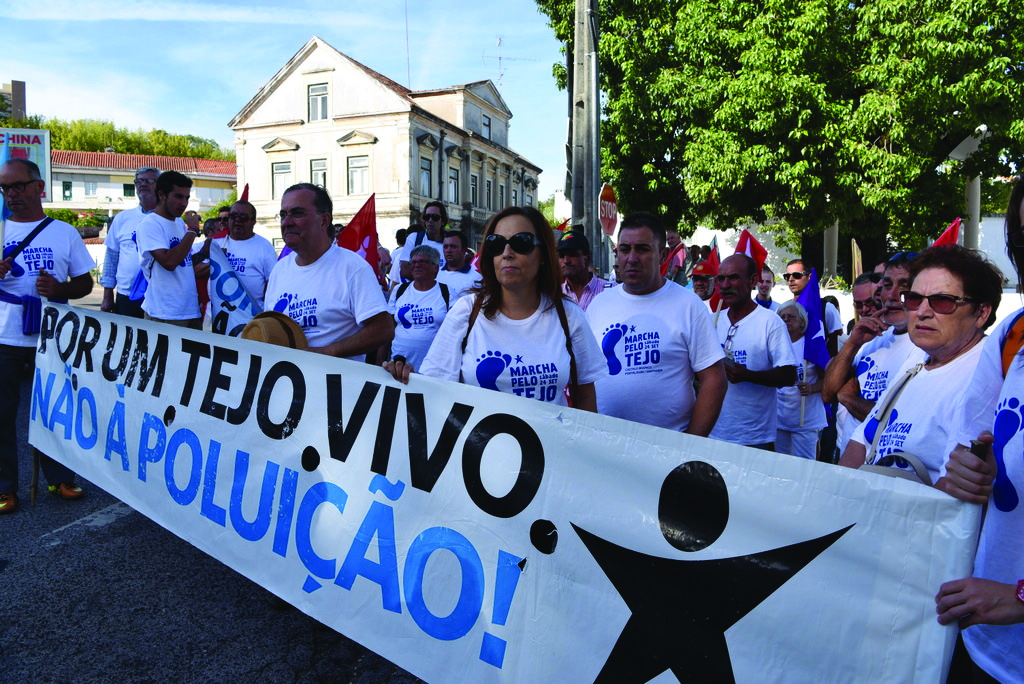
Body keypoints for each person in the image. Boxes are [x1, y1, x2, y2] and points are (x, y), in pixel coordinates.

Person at [933, 180, 1024, 684]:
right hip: (988, 647)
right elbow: (966, 461)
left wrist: (1020, 597)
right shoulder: (1014, 336)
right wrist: (971, 471)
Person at [384, 206, 604, 411]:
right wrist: (404, 377)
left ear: (544, 255)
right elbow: (433, 390)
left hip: (551, 440)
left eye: (521, 242)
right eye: (496, 244)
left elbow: (585, 396)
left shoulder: (569, 315)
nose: (507, 252)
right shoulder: (466, 311)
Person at [838, 245, 1001, 485]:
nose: (922, 312)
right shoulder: (919, 359)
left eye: (942, 301)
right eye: (914, 299)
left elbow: (954, 487)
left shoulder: (986, 374)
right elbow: (862, 441)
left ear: (981, 313)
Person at [0, 159, 96, 513]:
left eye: (18, 186)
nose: (11, 194)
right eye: (4, 188)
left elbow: (85, 283)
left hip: (53, 334)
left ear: (39, 187)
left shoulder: (63, 232)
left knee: (55, 407)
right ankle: (5, 486)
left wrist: (60, 288)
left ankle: (60, 477)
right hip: (5, 336)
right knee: (2, 414)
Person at [587, 211, 726, 434]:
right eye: (625, 249)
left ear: (663, 255)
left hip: (669, 444)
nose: (632, 258)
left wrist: (689, 444)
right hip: (607, 443)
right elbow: (584, 378)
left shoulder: (688, 305)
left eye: (642, 249)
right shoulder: (598, 306)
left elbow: (715, 380)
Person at [265, 183, 393, 360]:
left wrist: (328, 352)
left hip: (337, 377)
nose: (287, 222)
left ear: (324, 220)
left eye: (297, 213)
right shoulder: (279, 270)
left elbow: (384, 329)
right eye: (283, 215)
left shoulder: (352, 267)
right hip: (287, 375)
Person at [823, 253, 926, 456]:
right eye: (887, 285)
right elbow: (828, 393)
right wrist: (852, 343)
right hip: (849, 458)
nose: (892, 295)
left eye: (904, 286)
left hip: (886, 466)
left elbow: (900, 421)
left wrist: (849, 399)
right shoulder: (872, 338)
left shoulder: (926, 349)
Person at [709, 254, 798, 450]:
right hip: (713, 433)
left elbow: (789, 375)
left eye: (733, 277)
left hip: (755, 438)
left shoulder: (770, 322)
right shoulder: (711, 320)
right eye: (721, 278)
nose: (725, 284)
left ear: (752, 281)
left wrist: (748, 375)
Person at [136, 170, 207, 328]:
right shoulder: (150, 224)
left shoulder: (179, 223)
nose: (184, 203)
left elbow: (184, 262)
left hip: (190, 310)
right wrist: (192, 230)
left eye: (187, 198)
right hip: (165, 313)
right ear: (162, 195)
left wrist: (205, 253)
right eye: (178, 196)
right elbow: (169, 262)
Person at [99, 166, 159, 318]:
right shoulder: (122, 218)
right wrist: (107, 295)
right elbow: (111, 258)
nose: (143, 184)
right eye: (139, 181)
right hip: (126, 297)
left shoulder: (172, 220)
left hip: (159, 296)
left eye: (148, 180)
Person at [775, 302, 827, 459]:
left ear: (802, 322)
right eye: (782, 317)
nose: (786, 320)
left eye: (791, 317)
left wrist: (812, 388)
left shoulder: (811, 346)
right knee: (781, 465)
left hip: (805, 421)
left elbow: (829, 379)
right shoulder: (774, 345)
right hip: (779, 420)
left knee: (805, 467)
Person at [208, 200, 277, 318]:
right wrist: (217, 259)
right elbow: (196, 271)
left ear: (253, 221)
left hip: (250, 317)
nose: (237, 220)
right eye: (233, 216)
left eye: (243, 217)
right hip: (217, 316)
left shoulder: (264, 246)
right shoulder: (216, 244)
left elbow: (272, 283)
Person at [385, 245, 449, 369]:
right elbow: (388, 327)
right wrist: (379, 360)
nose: (416, 265)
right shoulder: (399, 290)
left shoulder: (447, 292)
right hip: (399, 365)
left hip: (434, 367)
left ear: (435, 267)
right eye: (413, 262)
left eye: (422, 262)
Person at [784, 258, 842, 355]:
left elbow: (836, 346)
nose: (791, 279)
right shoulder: (784, 309)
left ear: (809, 277)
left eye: (796, 275)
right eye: (787, 276)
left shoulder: (827, 308)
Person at [390, 201, 447, 285]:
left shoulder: (449, 243)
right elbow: (405, 270)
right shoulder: (414, 238)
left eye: (435, 217)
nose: (430, 220)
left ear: (443, 221)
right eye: (427, 217)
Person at [557, 230, 613, 311]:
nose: (566, 261)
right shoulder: (555, 295)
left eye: (572, 254)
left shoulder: (611, 291)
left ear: (588, 258)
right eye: (561, 256)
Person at [436, 229, 480, 300]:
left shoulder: (477, 279)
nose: (448, 250)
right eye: (445, 247)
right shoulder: (435, 274)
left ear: (464, 250)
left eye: (453, 246)